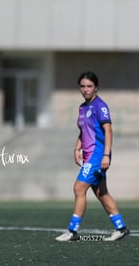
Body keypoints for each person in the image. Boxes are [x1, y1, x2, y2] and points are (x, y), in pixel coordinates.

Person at [55, 71, 129, 242]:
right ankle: (121, 228)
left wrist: (105, 155)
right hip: (88, 156)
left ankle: (72, 231)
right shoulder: (82, 108)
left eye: (89, 86)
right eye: (82, 86)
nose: (86, 89)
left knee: (79, 188)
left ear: (96, 87)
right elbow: (84, 131)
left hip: (97, 156)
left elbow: (108, 131)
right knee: (101, 192)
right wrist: (77, 147)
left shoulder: (100, 106)